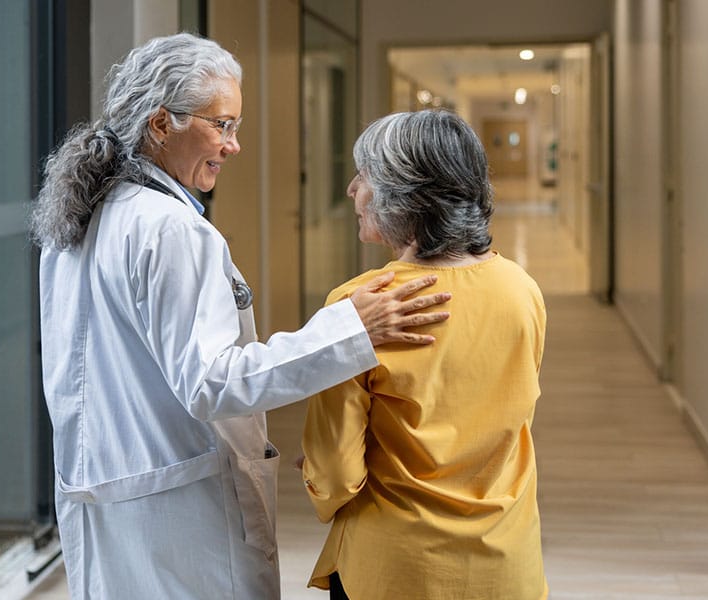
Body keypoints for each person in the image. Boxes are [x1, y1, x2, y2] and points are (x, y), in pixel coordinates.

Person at [30, 34, 451, 599]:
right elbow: (210, 383)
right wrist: (351, 328)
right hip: (180, 517)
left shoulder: (83, 217)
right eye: (222, 125)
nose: (234, 145)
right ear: (162, 124)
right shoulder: (170, 230)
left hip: (111, 496)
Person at [299, 110, 549, 600]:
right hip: (505, 564)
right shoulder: (521, 290)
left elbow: (337, 474)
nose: (352, 189)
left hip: (393, 567)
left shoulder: (361, 306)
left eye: (365, 175)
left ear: (403, 196)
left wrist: (317, 477)